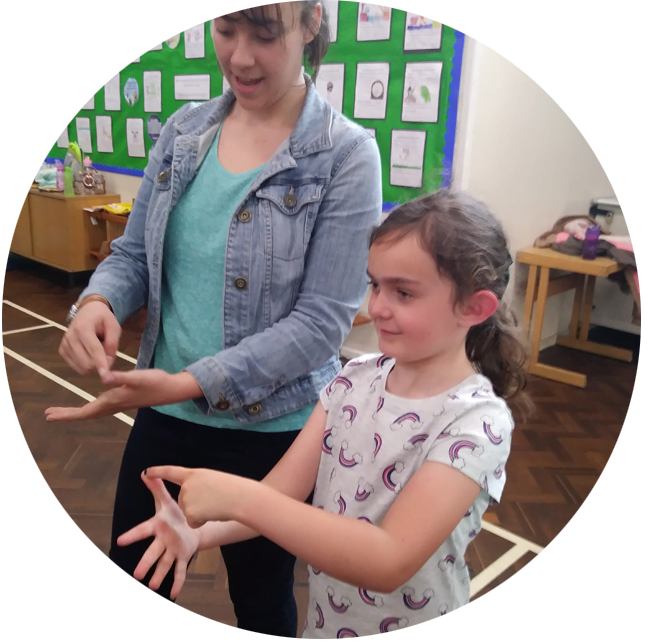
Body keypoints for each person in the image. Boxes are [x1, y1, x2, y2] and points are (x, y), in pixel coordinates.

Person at [45, 3, 382, 641]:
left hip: (270, 433)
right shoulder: (184, 130)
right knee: (136, 570)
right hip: (164, 422)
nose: (241, 57)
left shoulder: (345, 154)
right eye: (225, 31)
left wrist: (183, 382)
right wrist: (96, 304)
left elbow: (319, 327)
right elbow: (134, 255)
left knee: (262, 602)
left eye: (265, 34)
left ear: (310, 24)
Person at [117, 189, 531, 639]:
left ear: (475, 306)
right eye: (375, 285)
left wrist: (240, 497)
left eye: (404, 292)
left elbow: (388, 560)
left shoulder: (475, 423)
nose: (377, 307)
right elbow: (282, 491)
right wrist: (200, 534)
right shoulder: (352, 379)